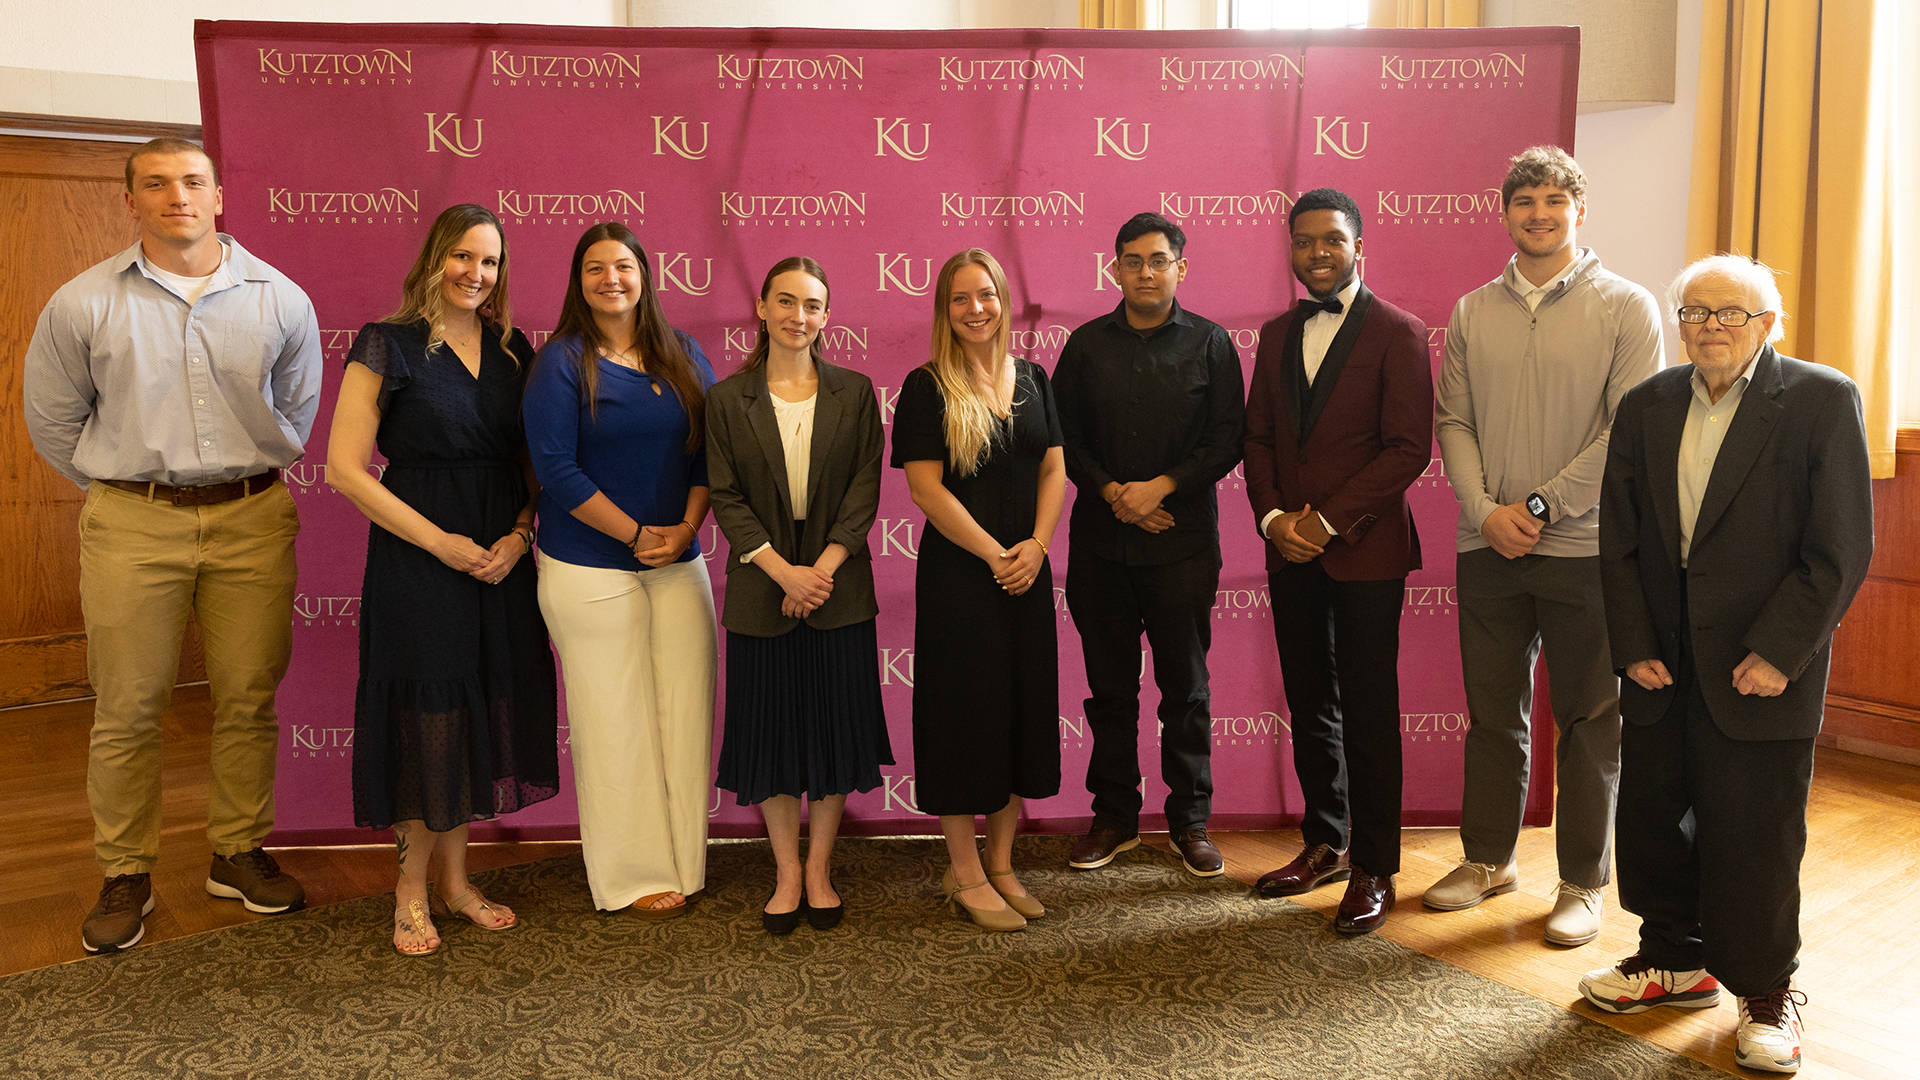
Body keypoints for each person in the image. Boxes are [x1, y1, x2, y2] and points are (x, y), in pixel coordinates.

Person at [24, 138, 320, 953]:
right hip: (132, 521)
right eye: (155, 184)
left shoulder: (280, 300)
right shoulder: (84, 303)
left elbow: (295, 412)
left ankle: (238, 852)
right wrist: (128, 487)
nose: (175, 195)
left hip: (253, 518)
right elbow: (52, 420)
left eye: (192, 181)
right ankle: (125, 872)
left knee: (247, 696)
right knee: (127, 707)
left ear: (219, 195)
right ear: (132, 201)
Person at [1581, 255, 1872, 1074]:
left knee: (1756, 836)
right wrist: (1633, 642)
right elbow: (1621, 537)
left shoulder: (1820, 399)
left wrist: (1780, 653)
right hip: (1660, 664)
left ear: (1768, 324)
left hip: (1764, 666)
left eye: (1730, 314)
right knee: (1651, 819)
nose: (1710, 327)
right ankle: (1671, 959)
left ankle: (1767, 995)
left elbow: (1839, 549)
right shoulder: (1646, 404)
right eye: (1696, 312)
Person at [1430, 145, 1662, 946]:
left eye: (1553, 202)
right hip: (1485, 544)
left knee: (1592, 719)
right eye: (1524, 201)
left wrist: (1538, 505)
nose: (1538, 214)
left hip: (1586, 550)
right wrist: (1484, 509)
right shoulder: (1470, 311)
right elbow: (1452, 422)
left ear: (1578, 211)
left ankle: (1582, 882)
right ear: (1505, 213)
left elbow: (1625, 432)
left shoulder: (1628, 307)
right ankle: (1489, 859)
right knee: (1494, 715)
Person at [326, 204, 560, 956]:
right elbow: (343, 470)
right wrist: (443, 545)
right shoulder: (384, 344)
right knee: (429, 715)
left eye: (489, 262)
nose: (475, 273)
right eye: (463, 256)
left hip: (500, 556)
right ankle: (409, 892)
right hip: (420, 557)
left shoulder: (514, 347)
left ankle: (457, 885)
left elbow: (532, 465)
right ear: (434, 258)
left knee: (478, 707)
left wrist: (520, 534)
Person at [1242, 188, 1434, 936]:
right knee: (1308, 700)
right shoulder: (1274, 333)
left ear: (1359, 247)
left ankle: (1375, 865)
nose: (1317, 252)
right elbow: (1257, 438)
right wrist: (1274, 521)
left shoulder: (1400, 331)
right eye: (1304, 241)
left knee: (1368, 707)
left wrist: (1324, 521)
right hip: (1289, 552)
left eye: (1332, 240)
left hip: (1364, 552)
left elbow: (1407, 449)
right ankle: (1324, 841)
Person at [523, 222, 717, 919]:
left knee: (685, 716)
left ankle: (684, 863)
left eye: (624, 266)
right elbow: (555, 469)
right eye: (596, 268)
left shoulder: (683, 353)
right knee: (614, 723)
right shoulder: (562, 361)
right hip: (588, 566)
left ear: (645, 275)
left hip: (680, 559)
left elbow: (708, 458)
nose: (612, 279)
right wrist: (636, 534)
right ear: (579, 281)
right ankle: (632, 877)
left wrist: (688, 529)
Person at [1053, 212, 1244, 878]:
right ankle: (1114, 820)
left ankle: (1190, 821)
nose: (1144, 271)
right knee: (1108, 692)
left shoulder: (1213, 345)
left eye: (1157, 260)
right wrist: (1115, 495)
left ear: (1179, 268)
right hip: (1100, 547)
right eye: (1131, 260)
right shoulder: (1084, 347)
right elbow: (1063, 440)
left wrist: (1160, 488)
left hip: (1183, 546)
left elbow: (1226, 441)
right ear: (1116, 268)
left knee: (1185, 690)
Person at [707, 257, 892, 935]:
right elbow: (725, 497)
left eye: (812, 305)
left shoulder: (856, 390)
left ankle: (820, 869)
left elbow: (864, 493)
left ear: (827, 317)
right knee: (773, 736)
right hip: (763, 587)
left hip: (839, 587)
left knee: (834, 734)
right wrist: (785, 573)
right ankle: (786, 872)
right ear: (761, 308)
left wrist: (822, 571)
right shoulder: (728, 399)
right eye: (785, 302)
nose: (798, 316)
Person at [890, 248, 1065, 932]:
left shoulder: (1035, 379)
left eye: (986, 294)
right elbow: (925, 489)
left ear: (1003, 301)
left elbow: (1054, 469)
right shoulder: (927, 385)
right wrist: (996, 553)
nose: (975, 309)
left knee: (1018, 716)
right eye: (960, 298)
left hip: (1026, 572)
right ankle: (963, 871)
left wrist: (1037, 547)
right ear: (944, 308)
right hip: (962, 579)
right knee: (964, 721)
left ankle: (1001, 863)